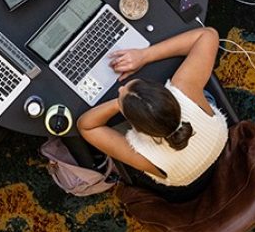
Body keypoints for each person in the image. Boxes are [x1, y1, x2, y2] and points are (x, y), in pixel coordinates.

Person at [77, 27, 228, 201]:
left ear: (138, 129)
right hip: (214, 139)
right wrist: (144, 55)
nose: (120, 89)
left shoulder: (144, 154)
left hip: (184, 178)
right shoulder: (184, 88)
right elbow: (208, 34)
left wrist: (121, 104)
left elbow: (86, 126)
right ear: (165, 91)